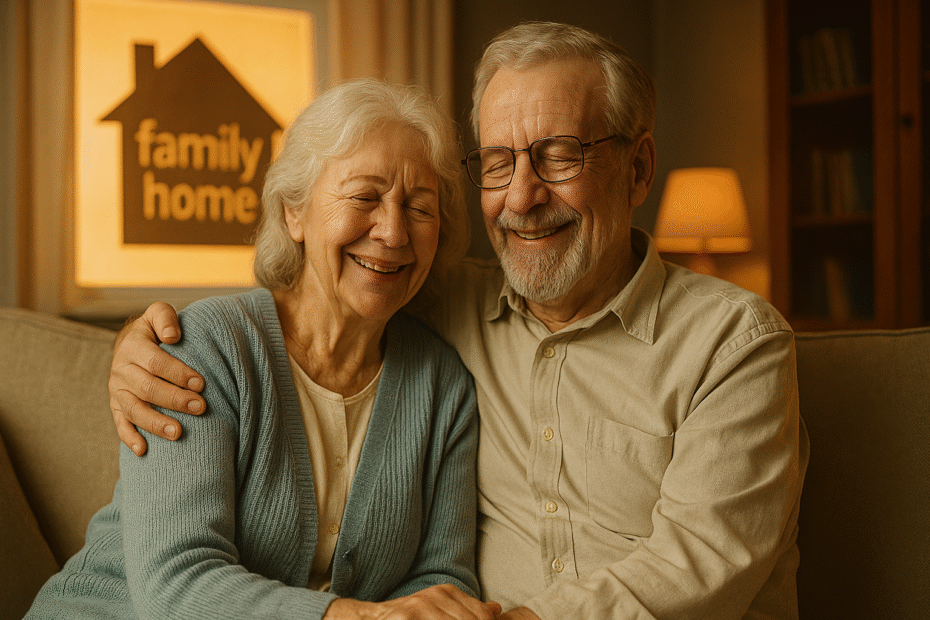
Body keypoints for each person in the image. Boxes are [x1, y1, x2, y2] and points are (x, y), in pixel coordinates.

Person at [107, 21, 809, 620]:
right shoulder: (423, 307)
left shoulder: (733, 343)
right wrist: (142, 345)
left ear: (639, 167)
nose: (524, 196)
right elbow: (313, 288)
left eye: (560, 155)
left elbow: (704, 559)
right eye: (499, 164)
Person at [27, 79, 503, 620]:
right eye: (364, 197)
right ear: (294, 214)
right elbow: (176, 584)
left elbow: (443, 576)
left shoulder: (442, 385)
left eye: (420, 207)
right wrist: (359, 617)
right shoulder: (203, 350)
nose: (394, 232)